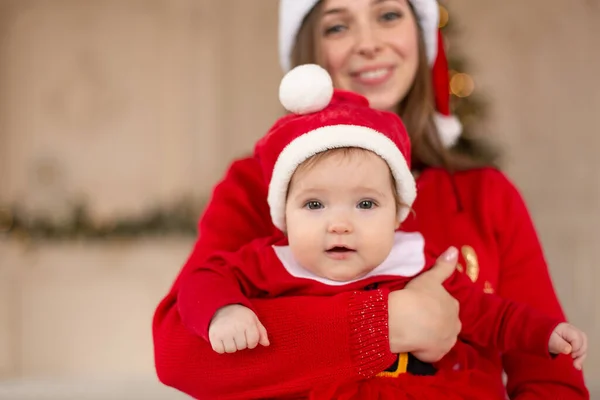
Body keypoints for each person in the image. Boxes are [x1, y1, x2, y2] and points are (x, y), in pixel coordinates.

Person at [152, 0, 590, 399]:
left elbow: (550, 378)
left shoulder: (484, 194)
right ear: (308, 49)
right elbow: (181, 353)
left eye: (389, 15)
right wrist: (380, 326)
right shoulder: (257, 186)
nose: (368, 44)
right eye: (338, 26)